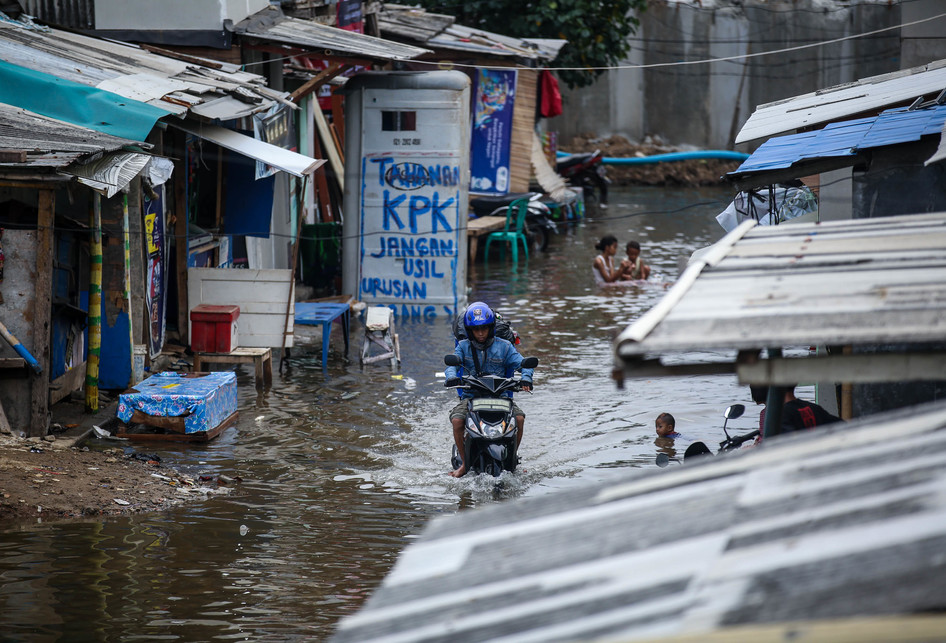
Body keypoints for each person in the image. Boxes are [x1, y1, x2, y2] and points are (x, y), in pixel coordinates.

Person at [444, 302, 534, 478]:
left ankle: (513, 458)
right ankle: (464, 464)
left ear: (491, 328)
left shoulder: (505, 346)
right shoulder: (463, 346)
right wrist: (451, 377)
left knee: (520, 419)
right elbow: (452, 365)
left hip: (500, 397)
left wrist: (526, 379)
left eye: (484, 329)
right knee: (456, 421)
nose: (480, 333)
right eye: (476, 330)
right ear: (470, 331)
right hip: (471, 397)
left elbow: (523, 364)